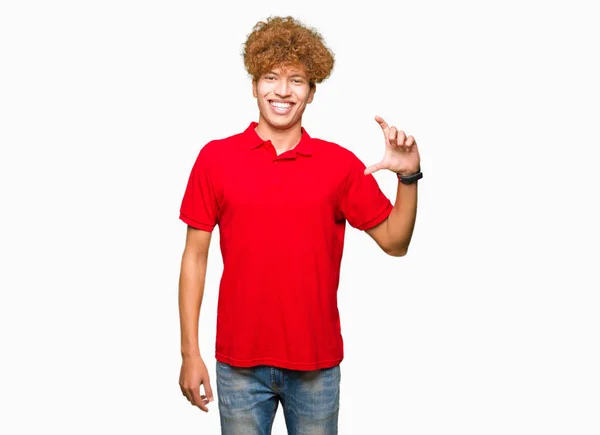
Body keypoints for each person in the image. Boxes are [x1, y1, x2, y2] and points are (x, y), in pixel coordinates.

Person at [177, 15, 422, 435]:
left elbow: (396, 242)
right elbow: (194, 259)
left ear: (311, 92)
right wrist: (189, 353)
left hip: (316, 366)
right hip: (237, 364)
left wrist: (408, 178)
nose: (283, 91)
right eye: (271, 77)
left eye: (297, 80)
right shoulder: (215, 159)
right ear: (254, 85)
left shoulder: (339, 165)